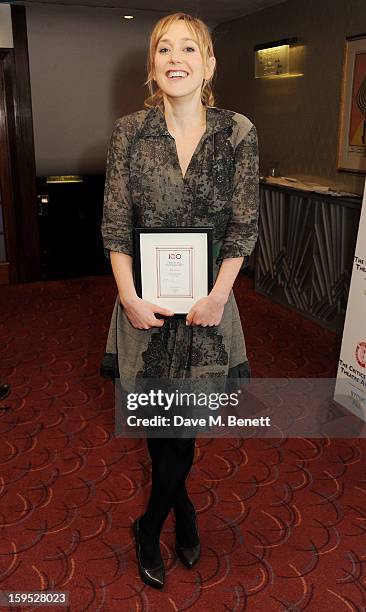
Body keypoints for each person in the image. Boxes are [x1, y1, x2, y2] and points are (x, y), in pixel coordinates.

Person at [100, 12, 259, 589]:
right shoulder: (128, 135)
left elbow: (243, 228)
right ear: (152, 66)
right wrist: (130, 299)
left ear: (209, 64)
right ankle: (182, 511)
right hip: (144, 307)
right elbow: (116, 227)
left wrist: (219, 296)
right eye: (164, 49)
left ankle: (149, 524)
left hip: (209, 310)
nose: (176, 58)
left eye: (189, 48)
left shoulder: (237, 133)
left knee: (183, 429)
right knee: (160, 428)